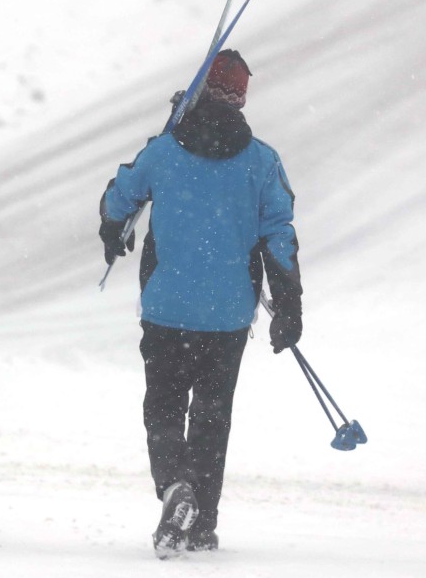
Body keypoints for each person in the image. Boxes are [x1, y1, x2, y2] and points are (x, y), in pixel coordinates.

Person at [98, 50, 302, 559]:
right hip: (229, 315)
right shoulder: (262, 161)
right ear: (241, 99)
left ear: (199, 93)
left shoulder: (164, 151)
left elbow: (119, 197)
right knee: (212, 416)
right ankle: (203, 522)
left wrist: (111, 231)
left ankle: (174, 487)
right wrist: (289, 303)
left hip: (167, 308)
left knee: (163, 407)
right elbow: (279, 234)